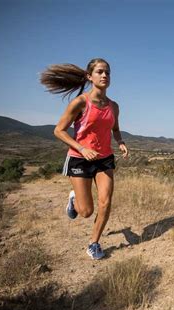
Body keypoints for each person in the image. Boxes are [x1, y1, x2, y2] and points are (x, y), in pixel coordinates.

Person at [40, 58, 128, 260]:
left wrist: (120, 141)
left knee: (105, 203)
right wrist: (82, 147)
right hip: (80, 158)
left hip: (104, 159)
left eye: (107, 72)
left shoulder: (114, 106)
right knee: (87, 211)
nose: (104, 75)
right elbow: (59, 131)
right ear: (90, 77)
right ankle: (73, 198)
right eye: (99, 72)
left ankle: (93, 243)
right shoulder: (80, 102)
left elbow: (115, 128)